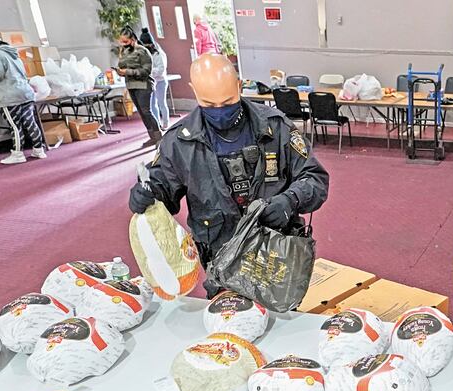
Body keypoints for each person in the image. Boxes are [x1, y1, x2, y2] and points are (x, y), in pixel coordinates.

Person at [128, 54, 329, 296]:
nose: (220, 111)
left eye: (227, 101)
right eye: (210, 105)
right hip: (221, 261)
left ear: (239, 85)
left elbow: (315, 178)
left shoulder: (275, 126)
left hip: (277, 256)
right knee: (228, 327)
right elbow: (163, 191)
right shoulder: (180, 141)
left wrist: (290, 201)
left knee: (284, 324)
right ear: (194, 92)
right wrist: (149, 193)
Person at [0, 32, 45, 165]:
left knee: (15, 125)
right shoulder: (12, 53)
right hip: (25, 93)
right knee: (30, 122)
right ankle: (39, 150)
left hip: (9, 96)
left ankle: (18, 154)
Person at [117, 26, 161, 148]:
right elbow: (122, 66)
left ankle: (159, 137)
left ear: (133, 39)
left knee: (146, 111)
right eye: (122, 42)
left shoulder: (142, 51)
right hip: (131, 85)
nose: (124, 44)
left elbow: (146, 70)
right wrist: (120, 71)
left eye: (126, 41)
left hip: (144, 85)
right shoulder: (124, 52)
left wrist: (128, 72)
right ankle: (152, 137)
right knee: (141, 112)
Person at [138, 27, 170, 131]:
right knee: (152, 105)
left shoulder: (159, 54)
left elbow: (161, 69)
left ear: (151, 44)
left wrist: (148, 71)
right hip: (150, 82)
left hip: (160, 81)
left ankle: (165, 124)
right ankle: (156, 125)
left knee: (161, 103)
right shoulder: (144, 54)